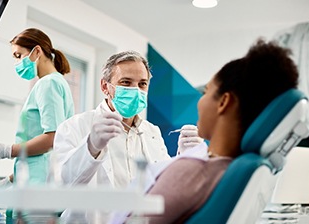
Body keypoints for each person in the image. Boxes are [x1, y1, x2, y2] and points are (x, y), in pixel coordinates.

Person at [111, 38, 300, 224]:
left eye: (205, 92)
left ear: (224, 102)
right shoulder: (231, 169)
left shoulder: (191, 172)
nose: (199, 102)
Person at [53, 50, 203, 223]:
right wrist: (91, 147)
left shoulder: (152, 132)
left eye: (142, 84)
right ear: (105, 86)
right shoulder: (75, 126)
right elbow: (64, 185)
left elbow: (163, 186)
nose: (135, 90)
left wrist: (184, 158)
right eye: (126, 82)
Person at [0, 28, 74, 218]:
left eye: (19, 55)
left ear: (37, 51)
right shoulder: (58, 83)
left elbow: (52, 139)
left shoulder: (48, 84)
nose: (17, 63)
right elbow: (41, 159)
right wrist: (9, 180)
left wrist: (8, 150)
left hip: (35, 195)